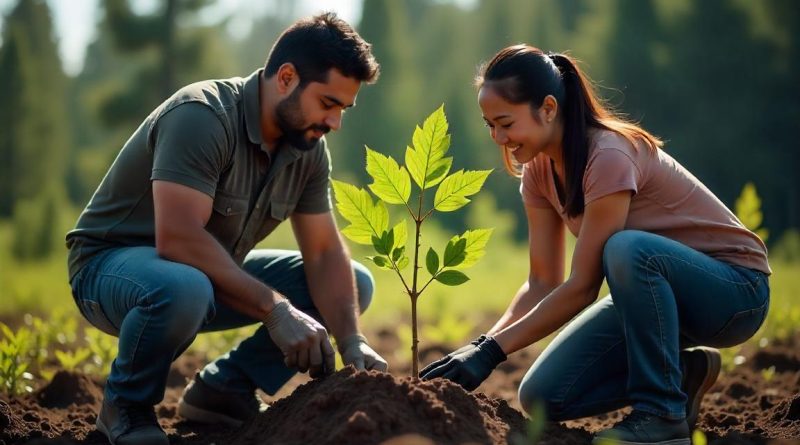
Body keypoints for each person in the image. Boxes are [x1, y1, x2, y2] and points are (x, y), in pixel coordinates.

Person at [420, 44, 770, 445]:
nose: (499, 138)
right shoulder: (537, 171)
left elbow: (583, 286)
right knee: (542, 396)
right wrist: (482, 346)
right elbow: (542, 281)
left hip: (736, 291)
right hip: (659, 292)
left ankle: (661, 415)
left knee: (625, 249)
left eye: (505, 122)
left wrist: (492, 352)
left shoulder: (608, 155)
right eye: (489, 125)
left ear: (548, 108)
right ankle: (682, 376)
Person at [66, 13, 388, 445]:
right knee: (184, 286)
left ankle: (223, 390)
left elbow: (325, 253)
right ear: (287, 77)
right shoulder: (203, 115)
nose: (334, 123)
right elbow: (178, 238)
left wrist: (351, 342)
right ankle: (125, 406)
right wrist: (276, 310)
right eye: (328, 104)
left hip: (201, 274)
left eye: (343, 110)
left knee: (354, 284)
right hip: (109, 271)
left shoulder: (307, 147)